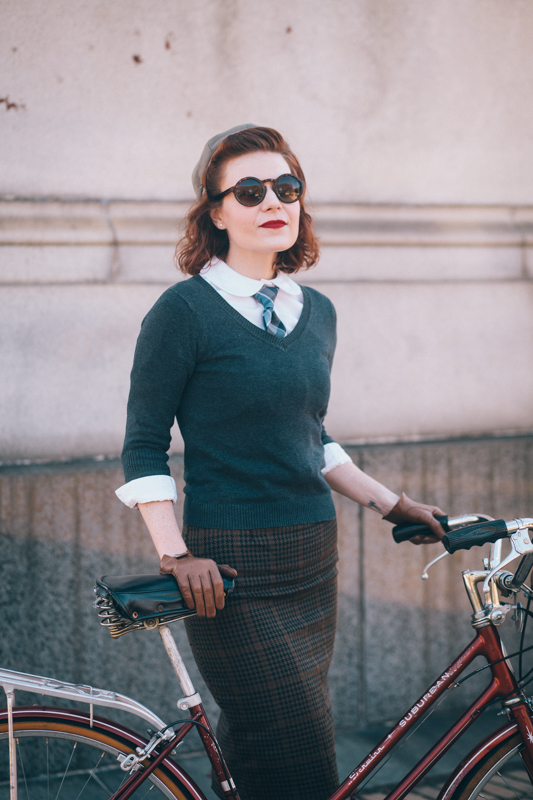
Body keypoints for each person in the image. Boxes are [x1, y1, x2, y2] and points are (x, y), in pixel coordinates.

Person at [115, 124, 445, 800]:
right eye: (250, 189)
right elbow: (144, 444)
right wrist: (176, 557)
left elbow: (309, 434)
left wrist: (390, 502)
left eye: (287, 187)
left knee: (262, 751)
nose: (274, 201)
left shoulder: (315, 311)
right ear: (215, 212)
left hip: (310, 558)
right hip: (226, 568)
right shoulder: (183, 313)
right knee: (300, 755)